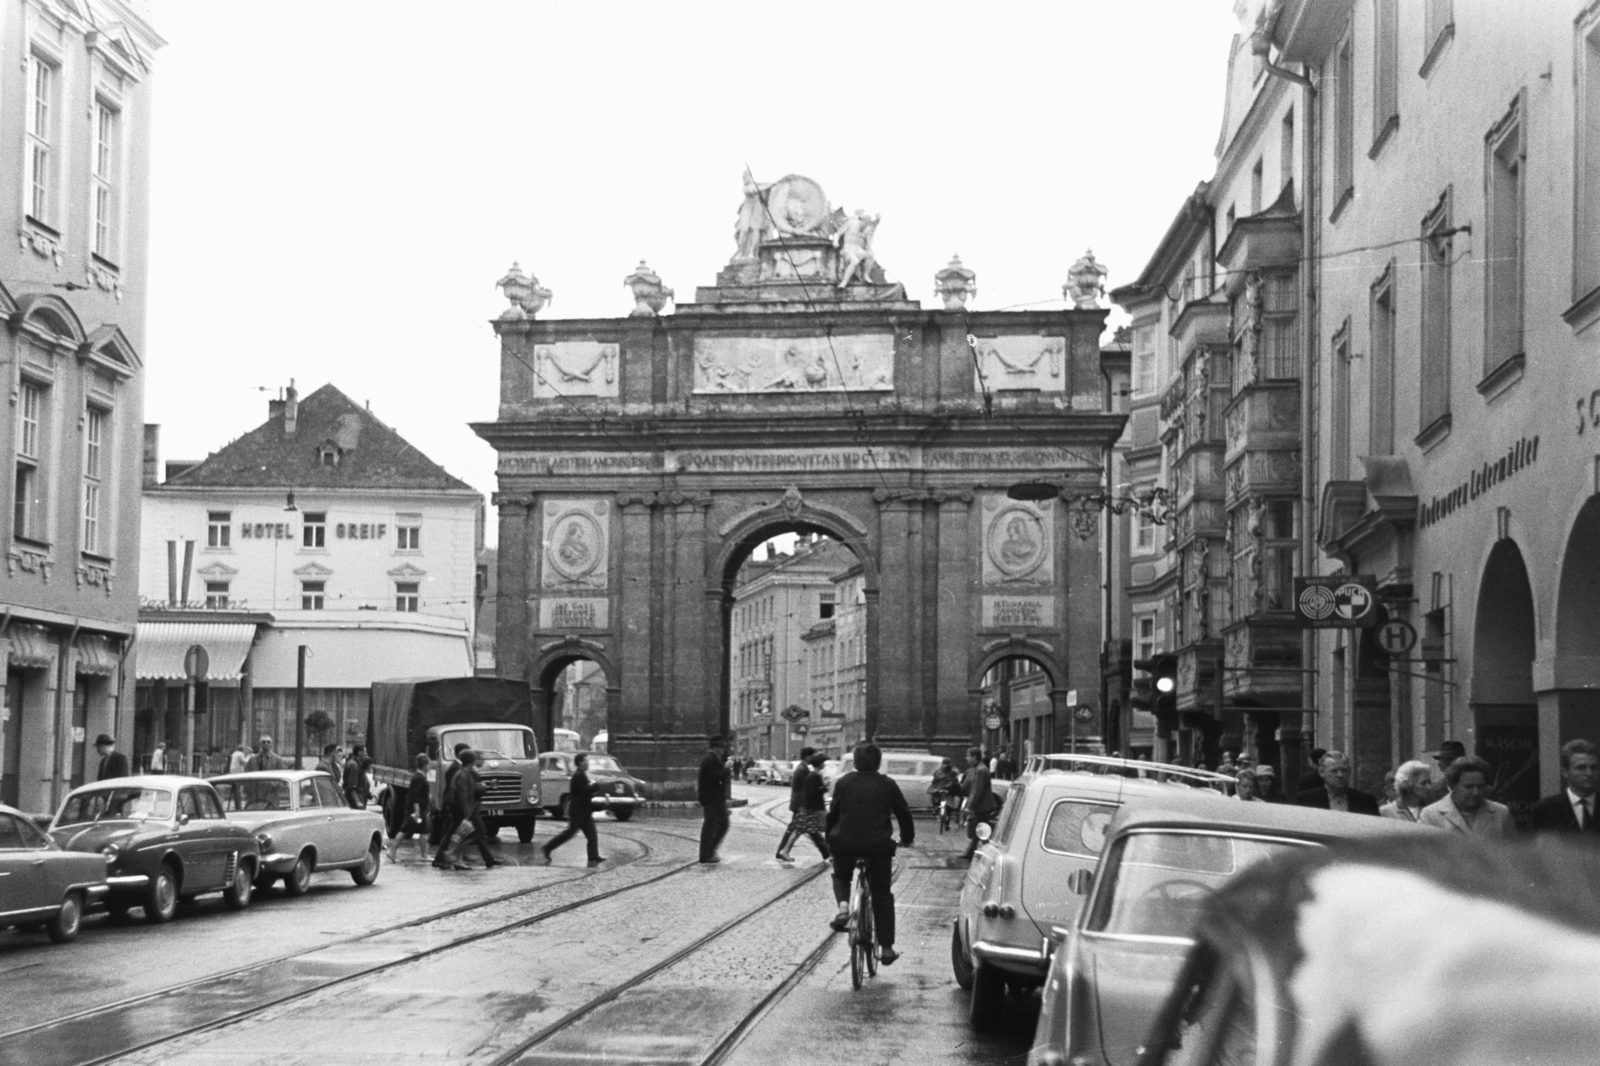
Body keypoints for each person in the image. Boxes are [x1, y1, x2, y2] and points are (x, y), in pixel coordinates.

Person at [825, 742, 914, 965]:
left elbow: (833, 814)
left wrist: (830, 839)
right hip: (878, 847)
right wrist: (907, 838)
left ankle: (844, 908)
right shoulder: (887, 784)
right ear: (878, 762)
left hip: (844, 843)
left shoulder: (843, 782)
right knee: (882, 894)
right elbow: (904, 813)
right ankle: (886, 948)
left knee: (842, 876)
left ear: (854, 762)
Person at [1420, 755, 1515, 839]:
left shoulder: (1501, 813)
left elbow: (1512, 851)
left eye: (1480, 786)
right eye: (1468, 787)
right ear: (1453, 786)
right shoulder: (1431, 815)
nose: (1475, 792)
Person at [540, 752, 603, 866]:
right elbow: (584, 791)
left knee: (592, 834)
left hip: (584, 812)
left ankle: (593, 856)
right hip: (578, 812)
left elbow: (585, 794)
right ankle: (548, 847)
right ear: (580, 763)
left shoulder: (582, 775)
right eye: (585, 761)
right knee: (569, 833)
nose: (587, 763)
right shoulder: (578, 776)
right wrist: (596, 786)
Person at [1530, 738, 1600, 838]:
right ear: (1565, 772)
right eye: (1581, 768)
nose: (1589, 773)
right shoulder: (1545, 809)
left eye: (1594, 767)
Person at [1295, 750, 1381, 815]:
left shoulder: (1366, 801)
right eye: (1334, 771)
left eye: (1344, 770)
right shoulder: (1306, 800)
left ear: (1350, 771)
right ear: (1321, 772)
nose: (1340, 775)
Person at [386, 752, 431, 863]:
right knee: (408, 830)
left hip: (418, 808)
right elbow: (415, 795)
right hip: (417, 809)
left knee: (418, 830)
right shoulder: (419, 778)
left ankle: (424, 855)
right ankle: (392, 851)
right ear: (425, 765)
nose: (429, 767)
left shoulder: (419, 777)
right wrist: (417, 810)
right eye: (428, 764)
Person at [775, 747, 816, 862]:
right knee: (799, 829)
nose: (813, 758)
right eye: (812, 756)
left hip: (798, 803)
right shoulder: (803, 769)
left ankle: (781, 851)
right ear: (807, 756)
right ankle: (782, 851)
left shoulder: (802, 768)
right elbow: (807, 788)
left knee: (793, 828)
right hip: (800, 804)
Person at [961, 746, 1000, 862]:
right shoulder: (975, 769)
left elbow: (977, 791)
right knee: (980, 829)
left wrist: (970, 807)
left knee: (981, 829)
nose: (966, 758)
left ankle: (988, 853)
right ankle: (973, 852)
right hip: (981, 805)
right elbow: (968, 785)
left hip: (983, 806)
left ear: (974, 757)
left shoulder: (981, 770)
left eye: (968, 756)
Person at [699, 734, 731, 864]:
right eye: (721, 747)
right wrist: (726, 768)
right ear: (716, 747)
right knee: (712, 825)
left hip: (715, 798)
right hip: (711, 798)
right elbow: (715, 777)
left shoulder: (714, 758)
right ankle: (706, 854)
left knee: (718, 824)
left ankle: (709, 851)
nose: (723, 750)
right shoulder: (710, 759)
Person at [343, 743, 371, 809]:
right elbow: (352, 786)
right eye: (365, 752)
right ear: (359, 753)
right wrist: (357, 802)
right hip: (355, 798)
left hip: (359, 796)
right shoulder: (354, 765)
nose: (366, 754)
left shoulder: (356, 764)